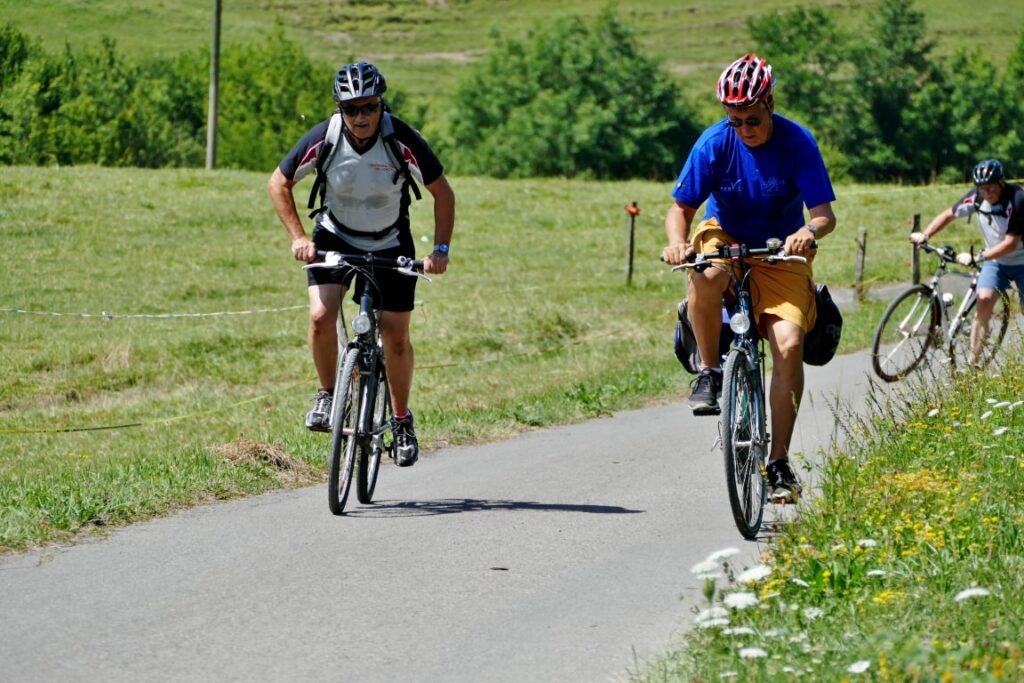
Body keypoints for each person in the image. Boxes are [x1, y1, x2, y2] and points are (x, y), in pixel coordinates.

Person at [661, 53, 837, 500]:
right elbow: (680, 209)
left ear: (770, 105)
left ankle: (778, 462)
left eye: (752, 119)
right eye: (734, 120)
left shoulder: (798, 143)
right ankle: (709, 371)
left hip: (781, 250)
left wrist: (806, 232)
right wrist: (678, 242)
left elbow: (823, 216)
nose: (744, 129)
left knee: (790, 345)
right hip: (727, 236)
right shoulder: (714, 143)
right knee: (703, 275)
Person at [268, 62, 455, 467]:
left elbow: (443, 193)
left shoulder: (400, 138)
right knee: (321, 316)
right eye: (351, 108)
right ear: (339, 108)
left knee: (396, 337)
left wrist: (440, 250)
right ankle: (326, 395)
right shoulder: (326, 137)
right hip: (334, 236)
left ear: (380, 104)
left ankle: (401, 420)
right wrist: (299, 238)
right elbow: (278, 183)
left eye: (368, 107)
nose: (361, 117)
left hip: (390, 241)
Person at [910, 159, 1024, 365]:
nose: (986, 193)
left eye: (990, 188)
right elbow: (949, 214)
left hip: (1020, 260)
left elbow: (1011, 244)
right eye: (981, 188)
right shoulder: (977, 198)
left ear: (1001, 182)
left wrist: (977, 257)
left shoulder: (1016, 199)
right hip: (996, 262)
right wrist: (926, 234)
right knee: (984, 301)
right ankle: (974, 364)